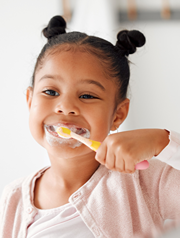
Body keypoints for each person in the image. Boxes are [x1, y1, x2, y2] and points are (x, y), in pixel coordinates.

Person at [0, 15, 180, 238]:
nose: (65, 107)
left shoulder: (147, 182)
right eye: (50, 92)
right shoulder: (13, 199)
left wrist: (161, 141)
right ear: (30, 100)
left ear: (118, 114)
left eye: (87, 95)